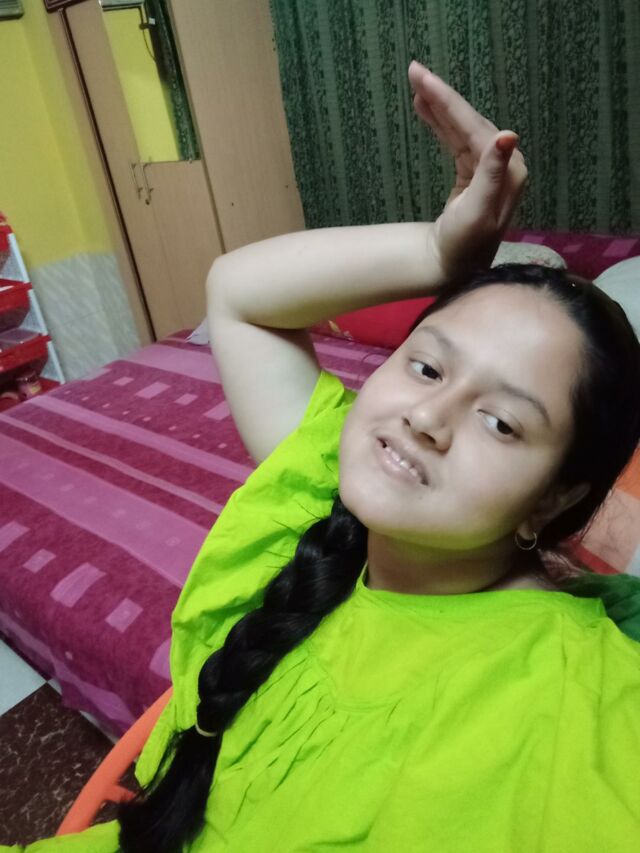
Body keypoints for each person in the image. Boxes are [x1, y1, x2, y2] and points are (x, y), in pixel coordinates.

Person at [4, 60, 640, 852]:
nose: (427, 418)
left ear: (553, 497)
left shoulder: (580, 696)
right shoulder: (322, 499)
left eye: (501, 422)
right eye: (426, 366)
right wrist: (441, 247)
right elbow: (238, 292)